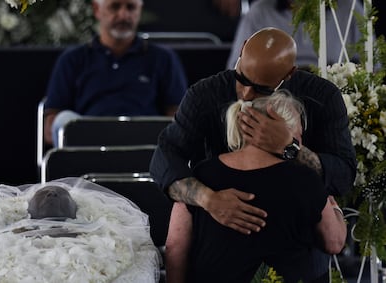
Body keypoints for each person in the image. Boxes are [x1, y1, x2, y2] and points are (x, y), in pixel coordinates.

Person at [149, 27, 357, 282]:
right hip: (219, 244)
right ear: (242, 47)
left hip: (299, 251)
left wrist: (292, 149)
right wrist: (209, 199)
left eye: (260, 88)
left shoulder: (323, 97)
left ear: (289, 75)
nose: (246, 94)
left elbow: (344, 176)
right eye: (242, 78)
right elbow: (164, 159)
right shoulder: (205, 94)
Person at [165, 90, 347, 282]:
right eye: (298, 137)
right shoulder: (306, 179)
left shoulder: (199, 175)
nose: (300, 145)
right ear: (285, 133)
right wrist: (334, 206)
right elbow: (334, 242)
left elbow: (175, 247)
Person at [44, 0, 188, 146]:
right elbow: (51, 126)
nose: (123, 15)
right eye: (115, 6)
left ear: (140, 11)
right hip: (89, 148)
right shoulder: (72, 59)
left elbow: (178, 116)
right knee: (63, 119)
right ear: (96, 10)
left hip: (145, 147)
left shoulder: (163, 58)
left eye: (131, 7)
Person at [0, 177, 160, 282]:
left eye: (62, 194)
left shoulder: (107, 243)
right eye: (43, 193)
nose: (52, 193)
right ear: (27, 209)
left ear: (75, 210)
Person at [226, 0, 364, 70]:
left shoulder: (350, 8)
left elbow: (374, 66)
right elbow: (236, 68)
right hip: (275, 95)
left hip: (336, 94)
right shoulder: (259, 12)